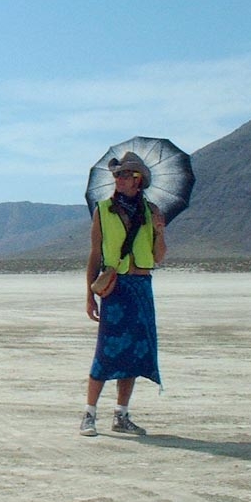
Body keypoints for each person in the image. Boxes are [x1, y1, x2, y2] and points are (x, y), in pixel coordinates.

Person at [80, 151, 167, 437]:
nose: (118, 179)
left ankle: (121, 415)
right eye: (116, 175)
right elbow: (95, 253)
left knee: (134, 353)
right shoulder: (103, 210)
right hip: (115, 288)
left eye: (124, 175)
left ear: (138, 180)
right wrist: (89, 294)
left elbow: (159, 257)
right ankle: (89, 414)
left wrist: (159, 231)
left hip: (141, 286)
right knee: (107, 351)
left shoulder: (151, 211)